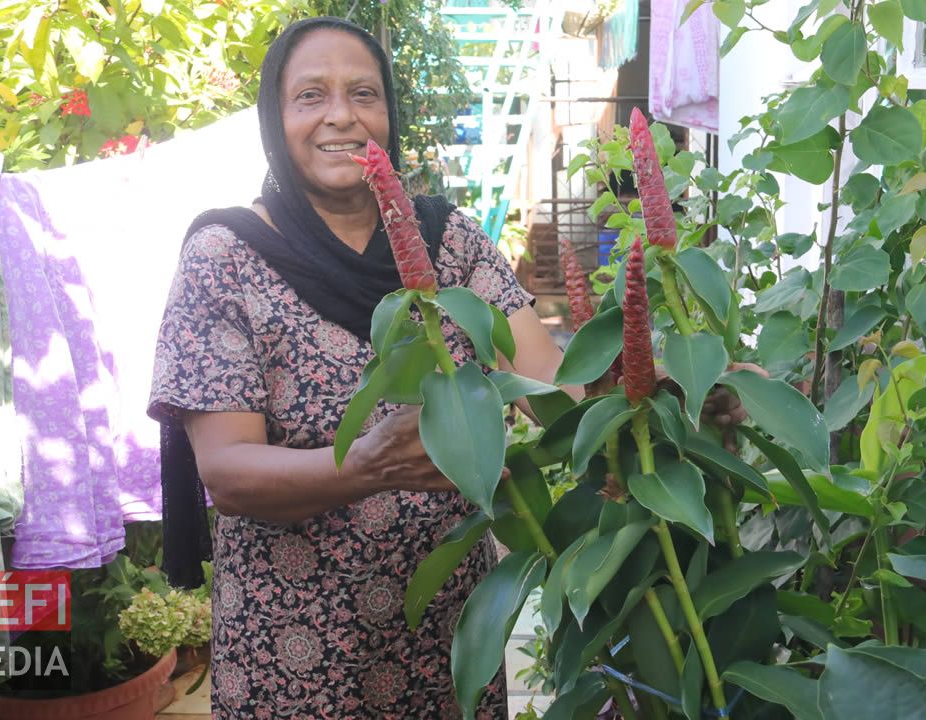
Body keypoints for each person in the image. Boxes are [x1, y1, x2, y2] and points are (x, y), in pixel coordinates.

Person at [149, 15, 756, 718]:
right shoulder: (225, 257)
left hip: (442, 639)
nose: (341, 115)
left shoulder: (449, 243)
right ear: (273, 118)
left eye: (364, 94)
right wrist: (368, 465)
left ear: (389, 114)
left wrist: (679, 392)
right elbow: (227, 472)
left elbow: (554, 386)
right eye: (311, 95)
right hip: (293, 655)